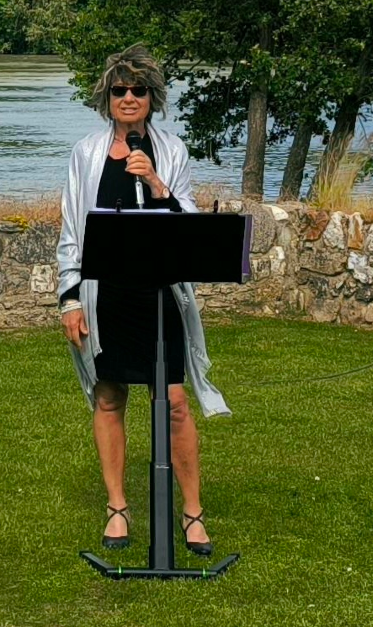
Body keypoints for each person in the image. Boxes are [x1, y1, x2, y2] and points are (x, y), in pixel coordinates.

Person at [54, 44, 230, 556]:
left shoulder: (171, 151)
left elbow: (189, 224)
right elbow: (72, 232)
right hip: (105, 296)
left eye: (138, 90)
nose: (128, 98)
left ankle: (192, 512)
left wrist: (154, 182)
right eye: (118, 90)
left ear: (152, 99)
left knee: (173, 402)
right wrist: (69, 299)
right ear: (106, 98)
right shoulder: (84, 154)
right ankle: (117, 507)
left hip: (160, 297)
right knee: (109, 397)